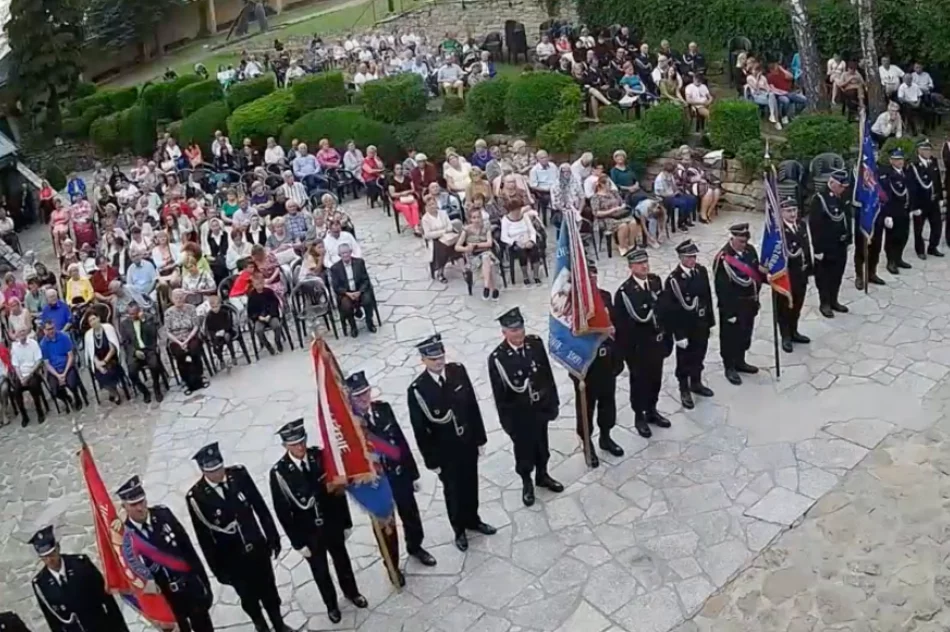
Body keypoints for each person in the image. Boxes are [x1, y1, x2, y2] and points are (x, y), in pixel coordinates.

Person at [269, 419, 367, 624]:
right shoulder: (279, 473)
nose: (300, 447)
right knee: (320, 571)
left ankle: (352, 592)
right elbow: (283, 513)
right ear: (285, 446)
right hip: (309, 532)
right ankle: (331, 605)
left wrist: (346, 522)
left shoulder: (320, 456)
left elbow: (338, 490)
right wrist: (298, 543)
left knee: (342, 561)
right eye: (294, 444)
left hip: (332, 523)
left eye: (302, 441)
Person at [187, 443, 290, 632]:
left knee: (270, 591)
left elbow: (260, 507)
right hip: (233, 560)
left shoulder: (239, 475)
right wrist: (217, 569)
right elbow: (204, 538)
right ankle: (261, 626)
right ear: (203, 471)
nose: (218, 474)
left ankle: (279, 624)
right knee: (249, 598)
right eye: (212, 471)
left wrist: (272, 536)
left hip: (257, 549)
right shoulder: (197, 497)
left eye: (219, 468)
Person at [407, 334, 495, 550]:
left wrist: (480, 438)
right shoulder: (418, 389)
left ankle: (473, 519)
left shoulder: (458, 371)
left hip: (467, 443)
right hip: (445, 452)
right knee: (453, 491)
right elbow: (420, 430)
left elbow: (472, 406)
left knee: (471, 484)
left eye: (441, 357)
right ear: (423, 360)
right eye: (433, 359)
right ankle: (459, 529)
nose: (439, 362)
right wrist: (432, 461)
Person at [347, 370, 437, 577]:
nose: (363, 398)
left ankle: (415, 547)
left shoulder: (383, 409)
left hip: (398, 474)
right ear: (350, 399)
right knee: (386, 529)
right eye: (358, 396)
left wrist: (412, 473)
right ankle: (392, 565)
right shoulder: (351, 426)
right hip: (378, 483)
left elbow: (400, 442)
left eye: (365, 392)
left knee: (410, 514)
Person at [117, 476, 214, 632]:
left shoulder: (164, 516)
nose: (140, 508)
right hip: (166, 600)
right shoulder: (126, 537)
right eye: (133, 504)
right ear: (124, 506)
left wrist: (204, 583)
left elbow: (188, 551)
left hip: (189, 588)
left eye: (142, 501)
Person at [488, 307, 563, 507]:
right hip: (519, 416)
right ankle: (527, 482)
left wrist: (553, 402)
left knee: (542, 447)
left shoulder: (535, 344)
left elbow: (546, 375)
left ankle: (542, 476)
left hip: (540, 408)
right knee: (524, 453)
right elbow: (500, 397)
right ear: (504, 332)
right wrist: (508, 425)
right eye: (513, 330)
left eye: (521, 328)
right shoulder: (498, 359)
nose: (519, 333)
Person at [613, 248, 671, 438]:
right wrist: (626, 354)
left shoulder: (655, 282)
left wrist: (667, 337)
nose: (644, 266)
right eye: (639, 264)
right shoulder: (624, 292)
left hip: (656, 344)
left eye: (646, 262)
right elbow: (622, 327)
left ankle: (652, 411)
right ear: (631, 267)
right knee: (639, 384)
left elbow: (663, 311)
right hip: (638, 349)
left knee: (655, 379)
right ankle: (639, 416)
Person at [570, 264, 623, 468]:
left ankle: (606, 437)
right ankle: (587, 442)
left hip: (606, 362)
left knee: (607, 403)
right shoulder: (572, 304)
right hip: (586, 367)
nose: (592, 280)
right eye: (587, 277)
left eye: (594, 276)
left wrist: (617, 357)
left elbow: (615, 328)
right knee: (586, 408)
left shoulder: (605, 296)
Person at [29, 525, 128, 632]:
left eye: (51, 554)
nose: (49, 560)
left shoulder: (81, 565)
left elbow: (106, 598)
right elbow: (53, 621)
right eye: (45, 557)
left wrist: (120, 628)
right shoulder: (41, 583)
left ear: (57, 548)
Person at [659, 239, 715, 410]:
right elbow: (671, 310)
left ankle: (696, 382)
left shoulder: (700, 271)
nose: (692, 260)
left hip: (700, 323)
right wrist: (678, 335)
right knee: (684, 360)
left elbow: (706, 297)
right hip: (685, 326)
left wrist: (710, 321)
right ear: (681, 258)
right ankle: (684, 389)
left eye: (694, 256)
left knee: (699, 355)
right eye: (689, 257)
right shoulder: (674, 280)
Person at [713, 223, 762, 385]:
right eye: (741, 241)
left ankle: (740, 361)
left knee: (745, 335)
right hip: (733, 307)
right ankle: (729, 367)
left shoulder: (750, 251)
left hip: (749, 302)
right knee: (730, 338)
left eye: (745, 241)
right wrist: (729, 313)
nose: (744, 244)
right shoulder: (724, 258)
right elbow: (722, 289)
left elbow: (756, 274)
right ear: (732, 238)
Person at [808, 169, 852, 318]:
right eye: (841, 186)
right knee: (824, 276)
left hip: (841, 244)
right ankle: (825, 303)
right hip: (826, 246)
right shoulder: (820, 199)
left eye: (844, 187)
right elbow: (815, 226)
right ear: (832, 182)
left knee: (837, 274)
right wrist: (818, 249)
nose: (843, 189)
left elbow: (847, 216)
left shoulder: (843, 195)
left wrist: (849, 237)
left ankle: (834, 300)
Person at [776, 199, 813, 353]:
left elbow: (806, 247)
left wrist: (810, 268)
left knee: (797, 305)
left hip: (801, 274)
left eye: (794, 210)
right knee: (784, 307)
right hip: (786, 276)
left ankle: (794, 331)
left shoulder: (801, 225)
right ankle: (785, 336)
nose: (792, 214)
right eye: (788, 211)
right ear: (781, 212)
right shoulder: (778, 231)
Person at [165, 288, 208, 395]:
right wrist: (180, 342)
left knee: (194, 350)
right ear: (172, 299)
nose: (178, 299)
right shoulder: (168, 312)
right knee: (180, 354)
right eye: (176, 297)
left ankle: (199, 375)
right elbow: (168, 332)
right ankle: (186, 379)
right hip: (176, 339)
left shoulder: (191, 308)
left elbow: (196, 326)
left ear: (184, 298)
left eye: (181, 297)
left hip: (190, 335)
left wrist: (187, 340)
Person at [329, 243, 377, 337]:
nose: (345, 255)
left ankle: (369, 322)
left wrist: (360, 291)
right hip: (346, 293)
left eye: (347, 252)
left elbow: (366, 279)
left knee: (368, 300)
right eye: (343, 253)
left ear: (350, 252)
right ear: (339, 255)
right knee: (346, 306)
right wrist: (347, 293)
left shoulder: (359, 262)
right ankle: (353, 327)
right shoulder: (335, 268)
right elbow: (336, 286)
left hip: (359, 290)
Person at [119, 302, 164, 403]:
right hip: (135, 351)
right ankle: (145, 391)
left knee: (155, 365)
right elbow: (125, 342)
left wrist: (143, 321)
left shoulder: (149, 318)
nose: (132, 316)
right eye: (130, 314)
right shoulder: (124, 324)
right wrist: (135, 351)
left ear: (139, 311)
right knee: (132, 373)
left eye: (134, 313)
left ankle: (156, 387)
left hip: (149, 349)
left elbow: (153, 334)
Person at [880, 148, 913, 275]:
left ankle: (899, 258)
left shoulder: (906, 173)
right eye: (897, 159)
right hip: (893, 212)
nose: (900, 162)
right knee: (892, 238)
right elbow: (884, 195)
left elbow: (911, 190)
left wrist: (912, 207)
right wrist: (887, 214)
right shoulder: (887, 174)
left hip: (905, 210)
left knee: (904, 236)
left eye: (901, 159)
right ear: (891, 161)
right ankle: (891, 261)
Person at [910, 139, 943, 260]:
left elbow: (937, 180)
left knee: (937, 226)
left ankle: (932, 247)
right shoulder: (914, 165)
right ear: (919, 150)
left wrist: (940, 197)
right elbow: (911, 187)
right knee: (918, 228)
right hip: (921, 202)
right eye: (925, 149)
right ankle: (920, 250)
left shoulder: (933, 161)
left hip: (933, 201)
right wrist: (914, 207)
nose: (928, 152)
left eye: (929, 149)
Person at [39, 320, 83, 412]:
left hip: (67, 366)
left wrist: (64, 373)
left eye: (52, 328)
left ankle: (77, 397)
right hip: (54, 370)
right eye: (48, 329)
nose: (51, 331)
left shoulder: (63, 337)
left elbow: (70, 356)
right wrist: (58, 376)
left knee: (72, 383)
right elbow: (47, 363)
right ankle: (67, 398)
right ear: (44, 331)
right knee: (54, 391)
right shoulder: (43, 344)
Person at [455, 210, 499, 300]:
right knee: (489, 264)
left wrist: (476, 245)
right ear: (470, 219)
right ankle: (493, 289)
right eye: (474, 218)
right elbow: (457, 247)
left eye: (478, 217)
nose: (476, 220)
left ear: (481, 218)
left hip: (487, 253)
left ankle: (486, 287)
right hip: (473, 257)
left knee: (486, 257)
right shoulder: (466, 230)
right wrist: (467, 248)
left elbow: (489, 243)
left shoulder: (486, 228)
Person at [11, 327, 46, 426]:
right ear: (17, 335)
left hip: (33, 372)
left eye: (23, 331)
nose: (22, 333)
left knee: (33, 386)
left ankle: (39, 411)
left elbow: (38, 361)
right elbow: (16, 365)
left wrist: (29, 375)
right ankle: (24, 416)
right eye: (19, 332)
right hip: (22, 375)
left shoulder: (33, 344)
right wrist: (21, 378)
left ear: (26, 333)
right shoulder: (15, 347)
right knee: (16, 391)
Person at [246, 272, 284, 354]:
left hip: (271, 315)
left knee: (277, 325)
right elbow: (251, 310)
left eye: (260, 283)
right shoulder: (252, 295)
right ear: (253, 285)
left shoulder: (269, 292)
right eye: (256, 284)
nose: (259, 286)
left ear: (263, 282)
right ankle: (267, 345)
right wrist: (258, 317)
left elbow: (274, 303)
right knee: (258, 330)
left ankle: (277, 341)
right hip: (259, 318)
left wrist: (270, 314)